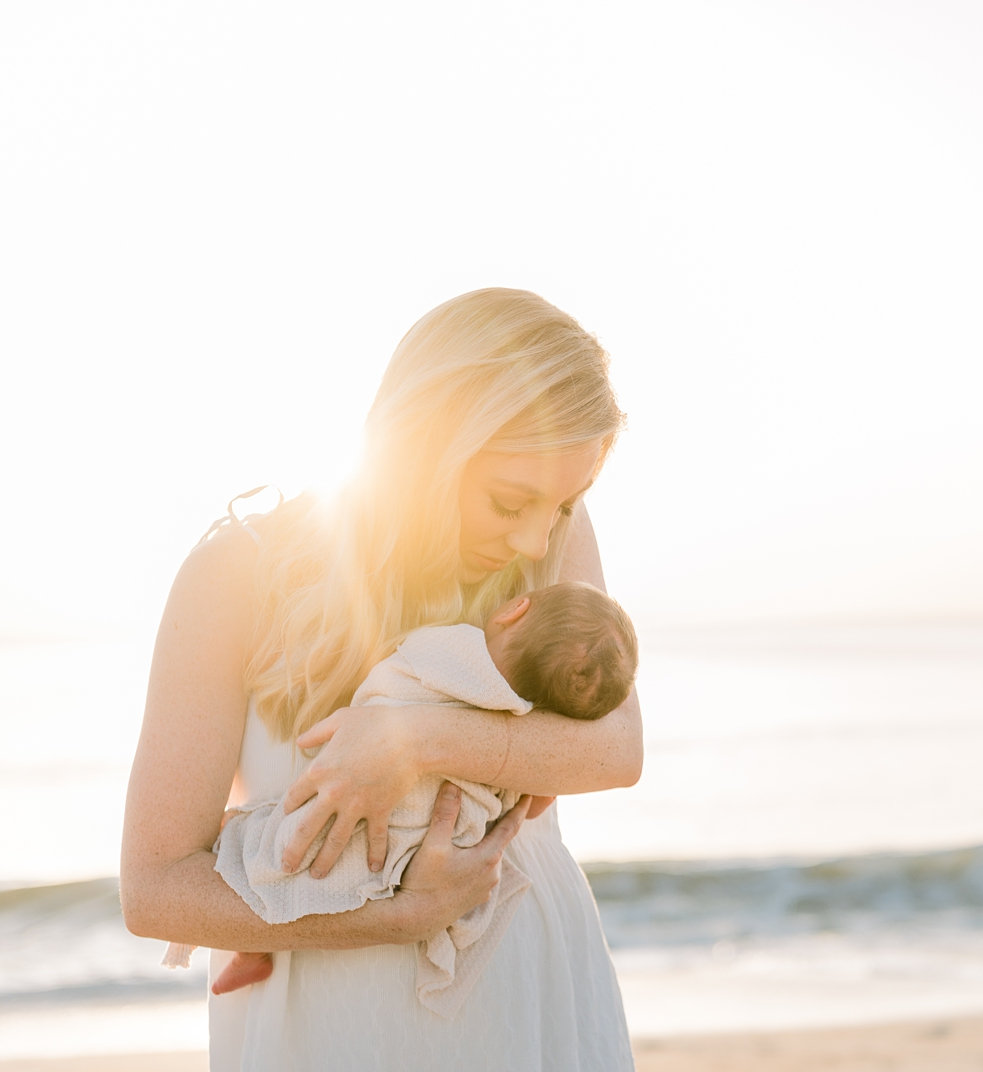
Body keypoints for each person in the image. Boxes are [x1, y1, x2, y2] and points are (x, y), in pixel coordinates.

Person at [121, 289, 643, 1071]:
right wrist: (400, 915)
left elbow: (616, 752)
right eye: (509, 501)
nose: (536, 536)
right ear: (426, 447)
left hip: (529, 992)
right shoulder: (236, 573)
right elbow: (155, 887)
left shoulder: (552, 537)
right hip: (326, 1025)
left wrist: (416, 740)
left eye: (565, 505)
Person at [167, 581, 638, 1016]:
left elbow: (388, 670)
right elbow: (531, 806)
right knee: (323, 874)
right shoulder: (526, 728)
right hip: (419, 853)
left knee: (266, 846)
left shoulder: (446, 647)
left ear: (515, 610)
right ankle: (257, 946)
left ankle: (252, 947)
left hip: (357, 812)